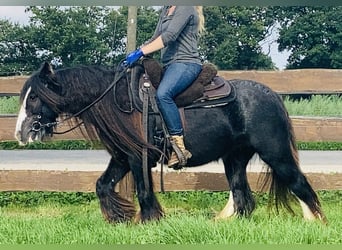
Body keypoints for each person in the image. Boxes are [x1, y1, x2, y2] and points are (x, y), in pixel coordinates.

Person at [125, 6, 205, 169]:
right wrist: (136, 53)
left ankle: (179, 146)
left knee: (163, 94)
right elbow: (156, 37)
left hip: (186, 63)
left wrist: (140, 52)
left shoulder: (185, 7)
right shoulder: (166, 9)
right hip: (170, 65)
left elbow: (169, 36)